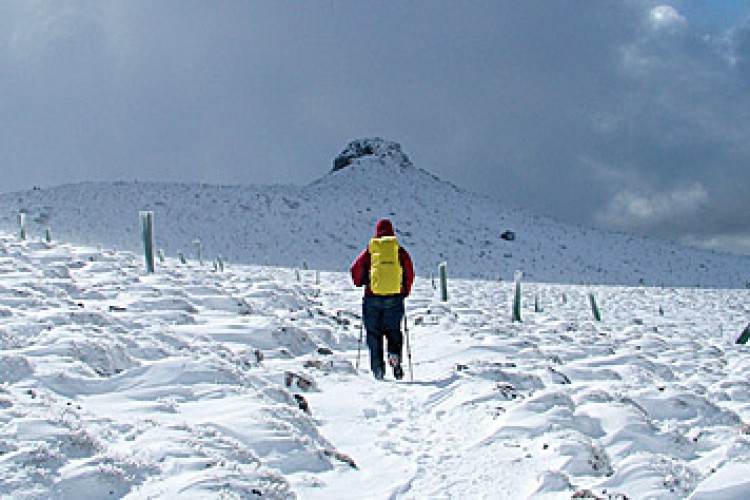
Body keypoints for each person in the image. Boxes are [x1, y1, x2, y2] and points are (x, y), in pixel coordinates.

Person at [350, 219, 415, 380]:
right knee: (393, 331)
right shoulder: (399, 252)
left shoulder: (372, 251)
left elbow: (355, 270)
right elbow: (409, 273)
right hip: (394, 298)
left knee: (374, 334)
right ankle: (394, 357)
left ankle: (378, 369)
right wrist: (404, 291)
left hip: (372, 298)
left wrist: (362, 282)